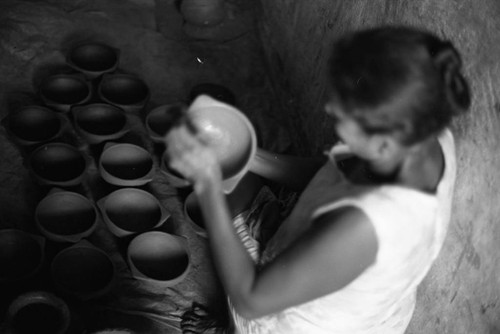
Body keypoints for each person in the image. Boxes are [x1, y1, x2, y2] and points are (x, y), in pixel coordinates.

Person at [165, 25, 471, 334]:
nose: (329, 108)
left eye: (341, 117)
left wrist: (207, 184)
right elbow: (329, 174)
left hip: (307, 322)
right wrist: (250, 157)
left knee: (232, 242)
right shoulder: (426, 131)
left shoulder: (364, 226)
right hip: (361, 294)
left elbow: (250, 299)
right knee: (241, 187)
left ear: (383, 144)